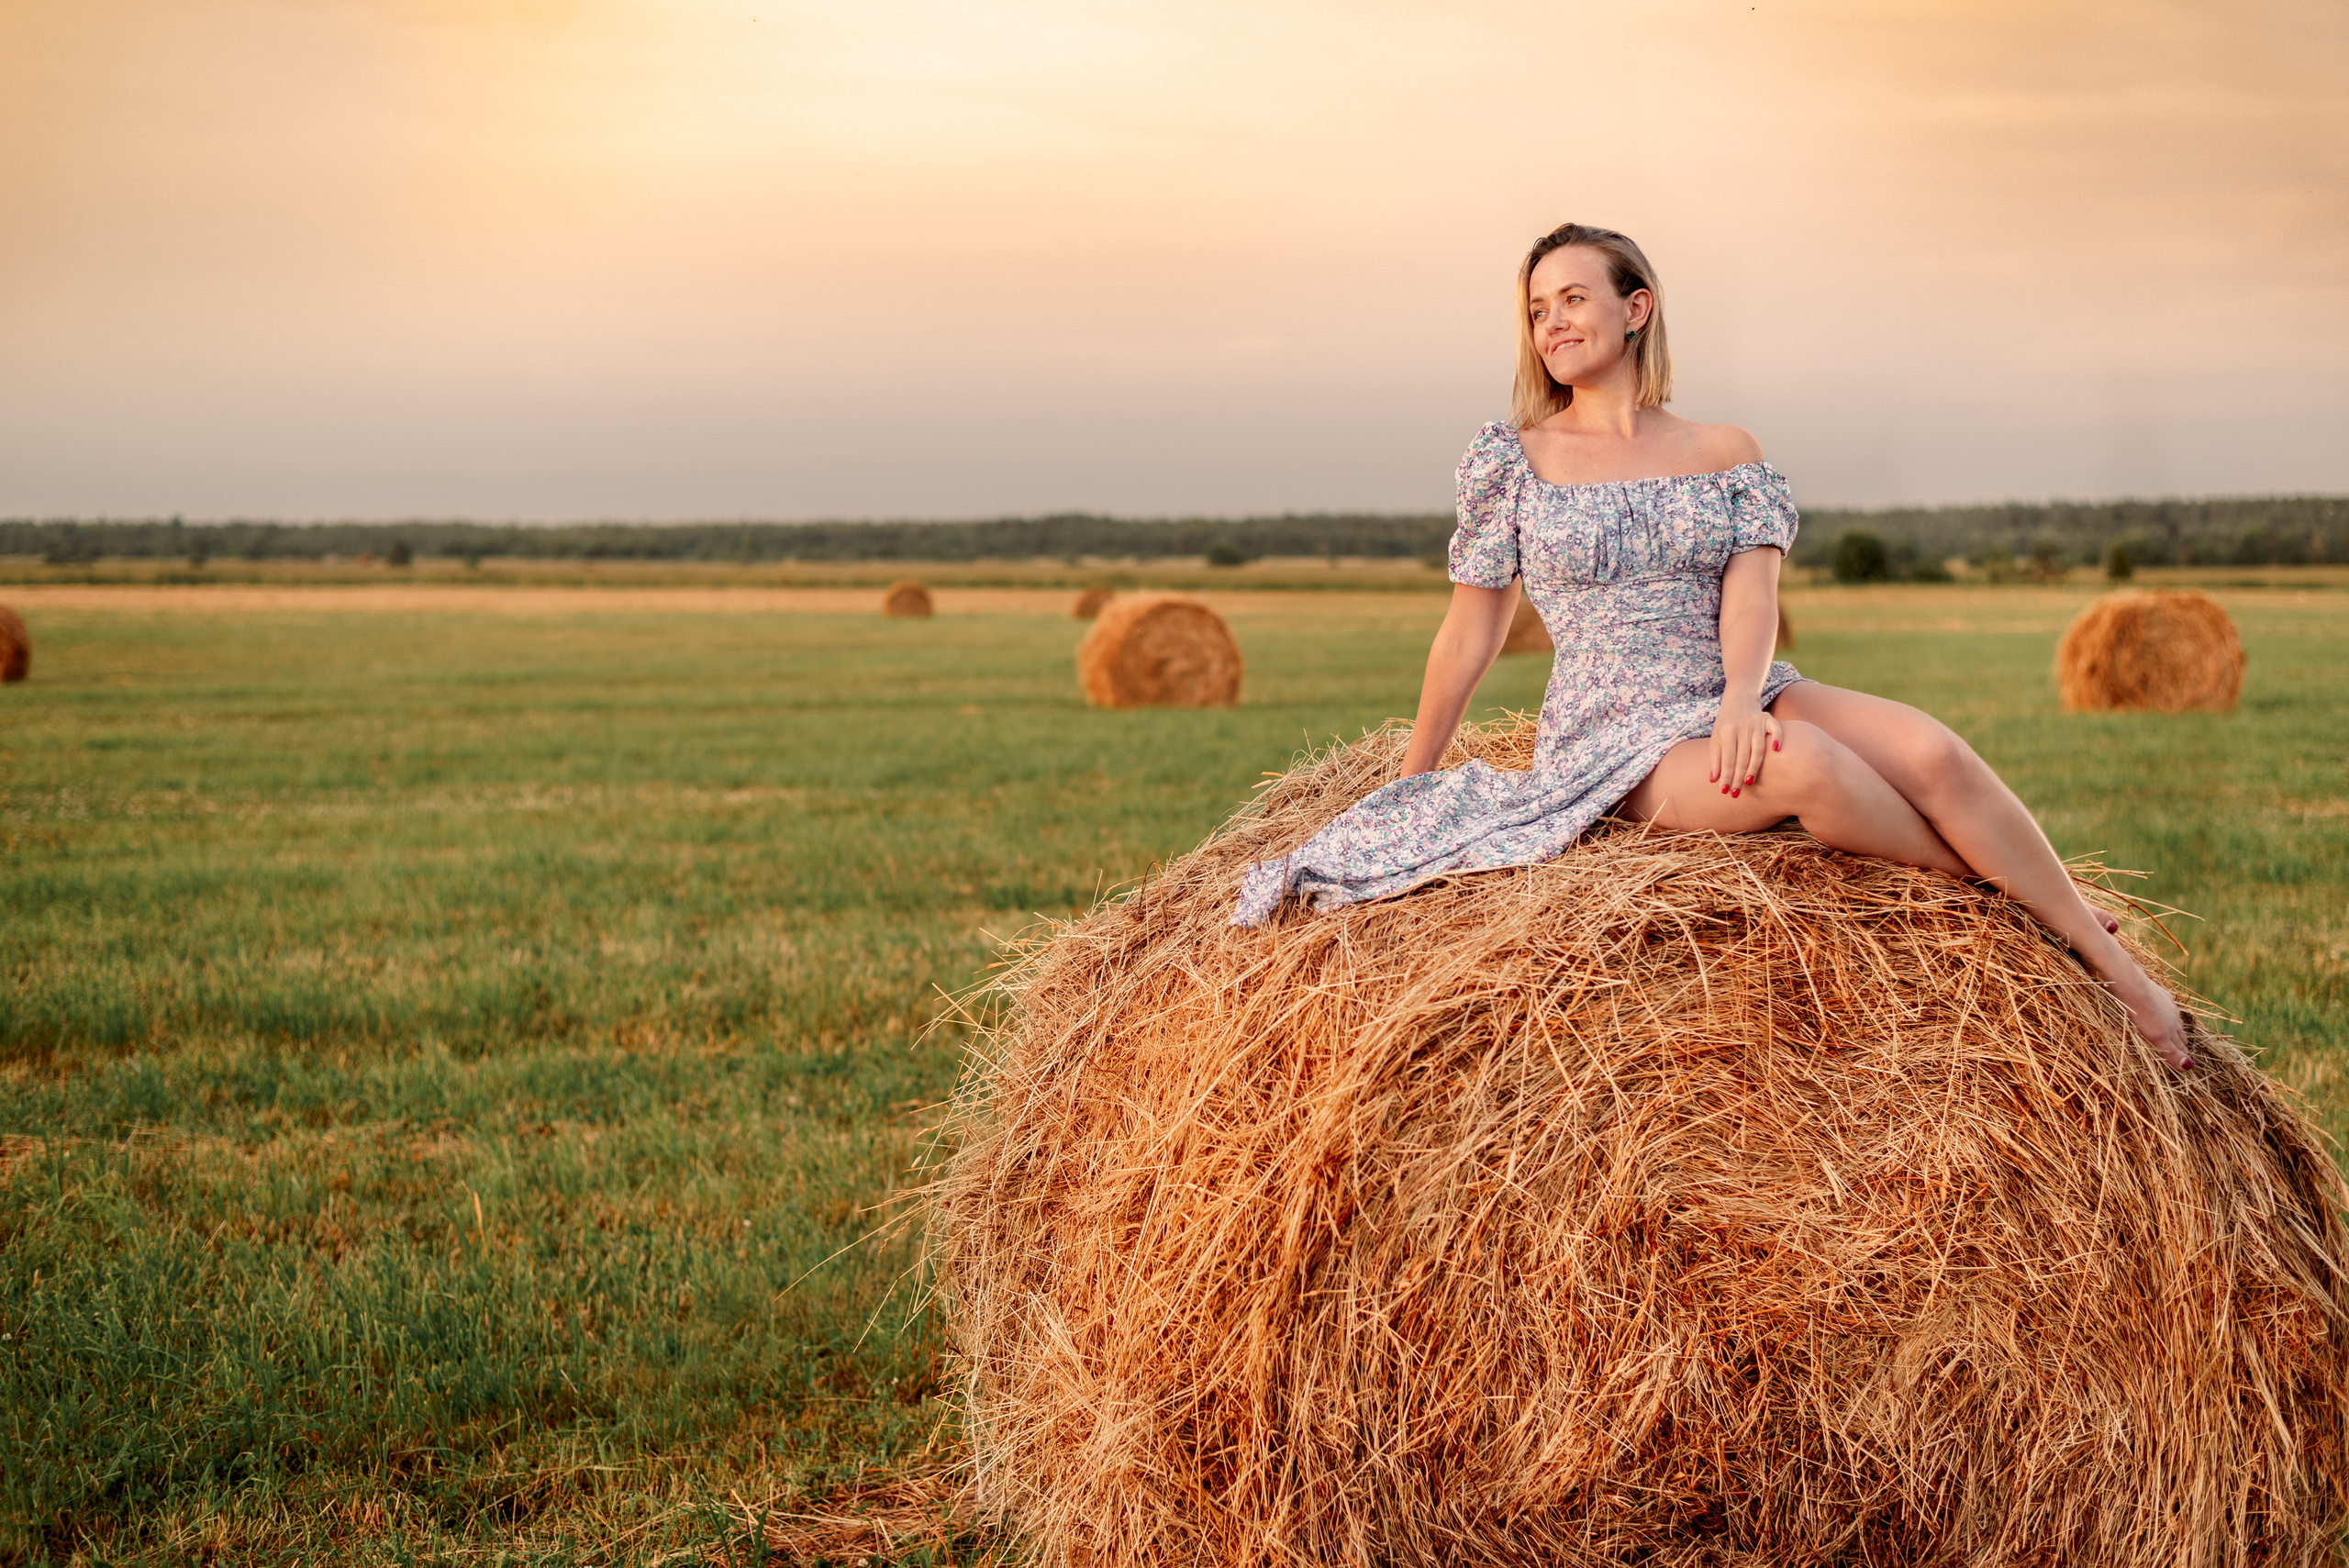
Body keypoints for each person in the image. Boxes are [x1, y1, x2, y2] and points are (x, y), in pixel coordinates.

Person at [1231, 221, 2191, 1070]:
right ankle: (2004, 903)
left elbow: (1751, 596)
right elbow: (1469, 630)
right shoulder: (1511, 460)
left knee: (1931, 750)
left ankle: (2115, 968)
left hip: (1734, 686)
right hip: (1616, 737)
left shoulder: (1726, 453)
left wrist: (1739, 697)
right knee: (1805, 763)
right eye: (1536, 309)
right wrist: (1411, 779)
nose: (1552, 322)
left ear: (1636, 307)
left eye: (1573, 298)